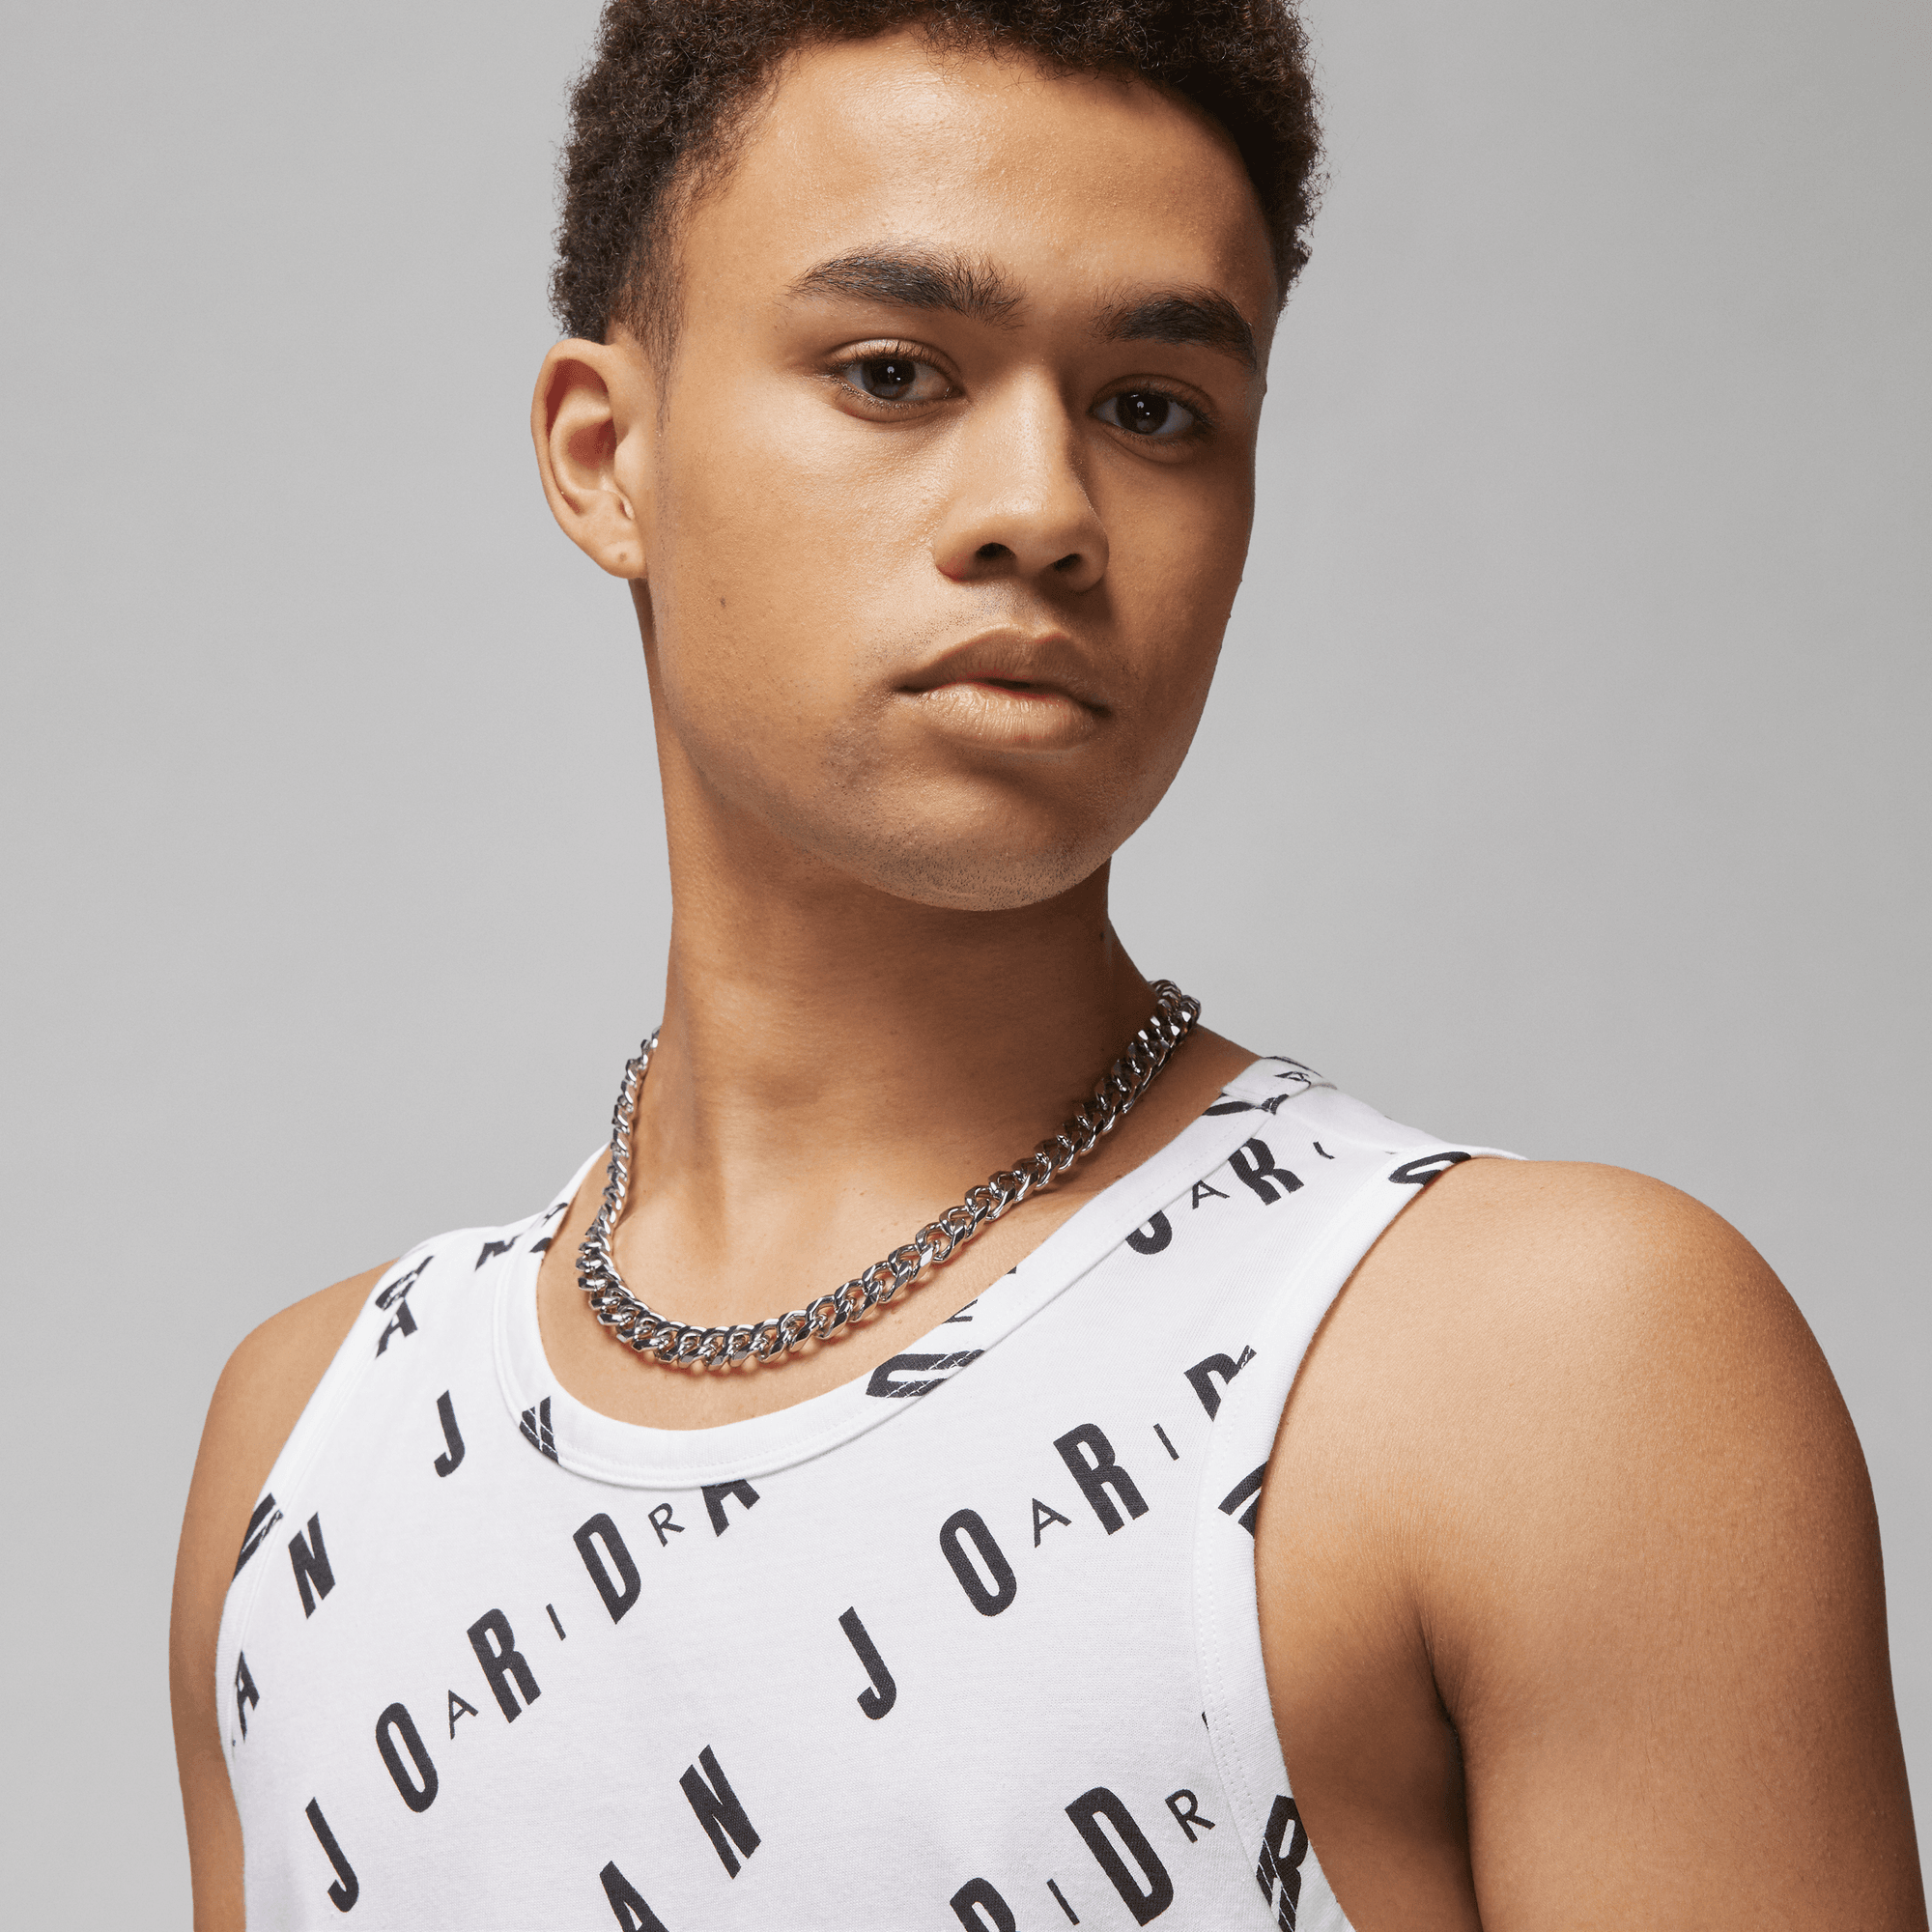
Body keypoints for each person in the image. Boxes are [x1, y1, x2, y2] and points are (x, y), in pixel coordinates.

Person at [168, 2, 1924, 1926]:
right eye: (895, 371)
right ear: (607, 457)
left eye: (1153, 407)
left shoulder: (1540, 1373)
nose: (1044, 511)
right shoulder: (308, 1456)